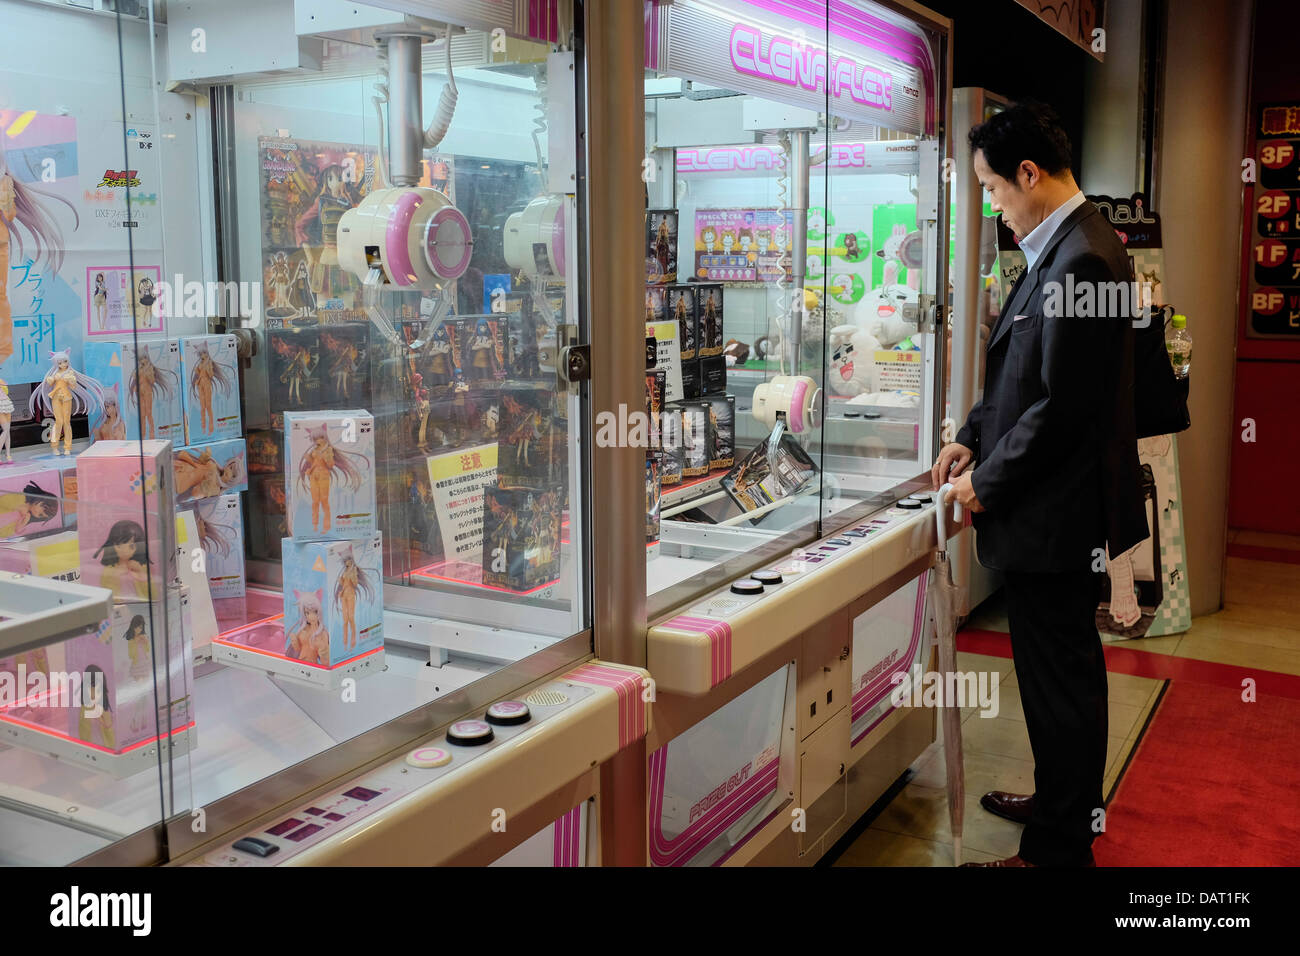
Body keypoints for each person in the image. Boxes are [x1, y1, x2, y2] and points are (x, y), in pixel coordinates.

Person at [931, 102, 1146, 868]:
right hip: (1050, 512)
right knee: (1060, 678)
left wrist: (987, 483)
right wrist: (969, 438)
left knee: (1062, 684)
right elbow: (1016, 375)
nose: (992, 206)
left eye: (993, 189)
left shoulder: (1085, 258)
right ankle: (1061, 801)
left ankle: (1057, 846)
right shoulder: (1062, 250)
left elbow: (1066, 408)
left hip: (1056, 519)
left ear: (1030, 174)